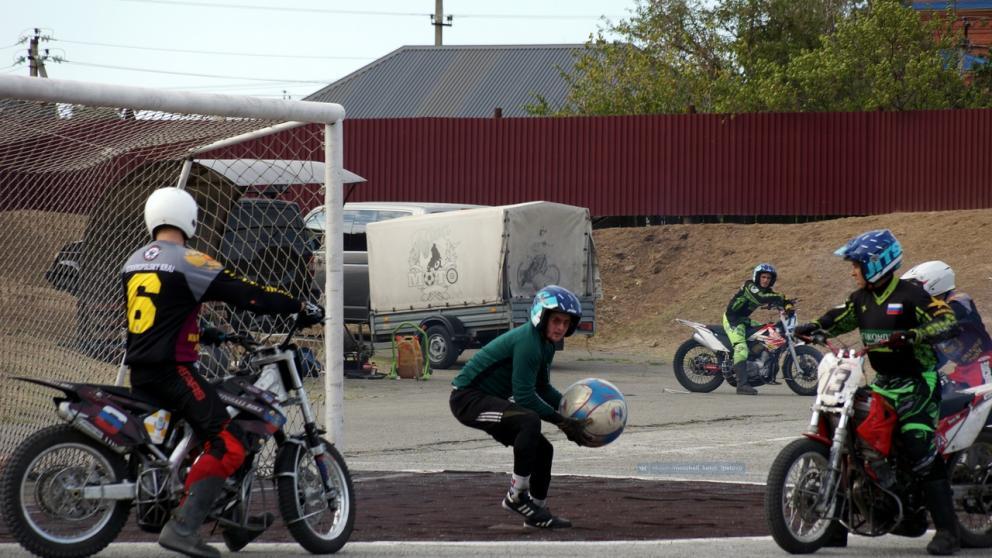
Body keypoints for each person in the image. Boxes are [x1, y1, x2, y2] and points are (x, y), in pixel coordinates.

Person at [122, 187, 325, 558]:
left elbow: (163, 313)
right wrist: (298, 305)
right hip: (174, 372)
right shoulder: (189, 259)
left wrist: (208, 332)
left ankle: (231, 519)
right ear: (189, 219)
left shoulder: (134, 260)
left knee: (200, 431)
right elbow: (246, 294)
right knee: (227, 442)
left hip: (141, 371)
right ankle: (183, 528)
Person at [795, 230, 961, 556]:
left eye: (856, 265)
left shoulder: (911, 295)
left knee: (918, 445)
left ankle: (948, 531)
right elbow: (837, 317)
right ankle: (833, 527)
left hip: (918, 383)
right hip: (884, 383)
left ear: (876, 264)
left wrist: (912, 335)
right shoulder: (861, 300)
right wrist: (812, 327)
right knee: (851, 442)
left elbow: (947, 322)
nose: (852, 271)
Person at [449, 285, 591, 529]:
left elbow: (543, 387)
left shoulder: (545, 344)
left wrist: (572, 411)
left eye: (566, 323)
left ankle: (537, 511)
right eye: (556, 320)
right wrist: (562, 422)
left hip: (489, 400)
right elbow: (525, 397)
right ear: (541, 316)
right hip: (467, 400)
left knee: (543, 449)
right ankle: (516, 496)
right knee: (529, 420)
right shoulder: (529, 342)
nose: (561, 327)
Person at [902, 260, 992, 392]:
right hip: (963, 371)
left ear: (934, 285)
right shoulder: (929, 313)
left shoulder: (959, 300)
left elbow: (946, 319)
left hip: (984, 365)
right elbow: (937, 356)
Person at [723, 263, 793, 395]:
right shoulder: (750, 286)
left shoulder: (768, 292)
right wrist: (781, 297)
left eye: (768, 278)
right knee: (741, 349)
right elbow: (761, 297)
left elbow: (780, 298)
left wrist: (788, 305)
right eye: (763, 277)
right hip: (732, 320)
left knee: (767, 333)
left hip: (744, 320)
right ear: (757, 277)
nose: (766, 280)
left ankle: (756, 363)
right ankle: (742, 385)